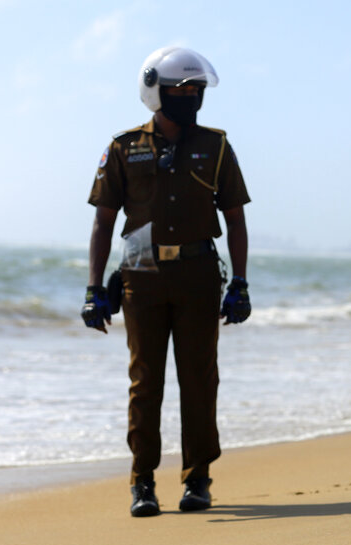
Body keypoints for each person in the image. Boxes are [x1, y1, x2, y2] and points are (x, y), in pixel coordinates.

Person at [82, 46, 252, 517]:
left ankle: (198, 479)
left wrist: (239, 282)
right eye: (181, 89)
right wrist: (95, 288)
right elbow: (103, 222)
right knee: (145, 382)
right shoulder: (123, 147)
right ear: (155, 90)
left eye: (196, 90)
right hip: (141, 281)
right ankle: (143, 483)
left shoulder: (216, 147)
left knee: (200, 380)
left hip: (199, 278)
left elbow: (235, 221)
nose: (191, 97)